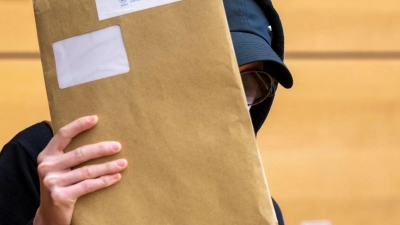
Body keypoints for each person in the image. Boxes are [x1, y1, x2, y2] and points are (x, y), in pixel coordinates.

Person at [0, 0, 293, 224]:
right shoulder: (45, 164)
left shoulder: (259, 210)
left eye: (252, 83)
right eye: (216, 76)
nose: (237, 99)